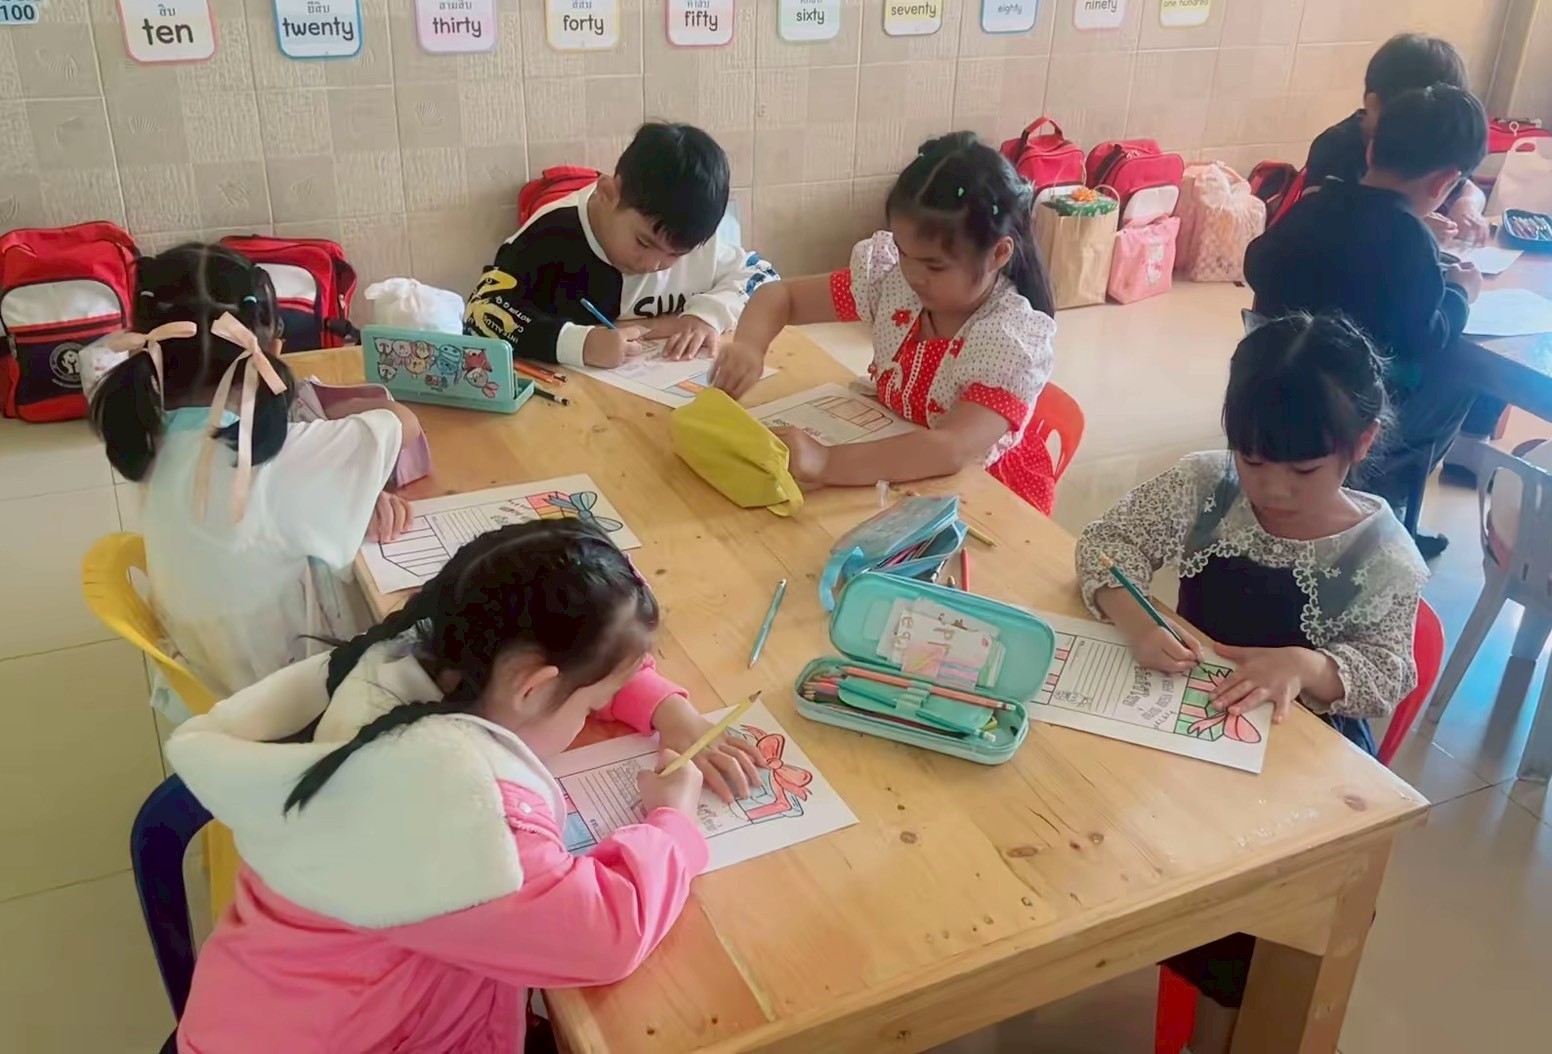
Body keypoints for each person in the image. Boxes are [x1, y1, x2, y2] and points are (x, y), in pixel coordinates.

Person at [166, 519, 767, 1054]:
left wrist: (666, 708)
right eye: (592, 705)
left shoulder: (415, 659)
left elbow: (584, 654)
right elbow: (609, 933)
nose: (593, 712)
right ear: (532, 687)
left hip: (272, 1013)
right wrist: (673, 823)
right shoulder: (449, 810)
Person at [1074, 313, 1427, 1054]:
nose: (1272, 489)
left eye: (1303, 471)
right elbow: (1107, 544)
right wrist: (1137, 618)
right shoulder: (1209, 485)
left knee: (1250, 924)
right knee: (1087, 821)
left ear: (1361, 444)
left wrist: (1306, 666)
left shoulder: (1381, 553)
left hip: (1300, 766)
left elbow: (1390, 670)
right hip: (1183, 727)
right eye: (1254, 459)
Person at [89, 243, 422, 716]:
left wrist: (348, 492)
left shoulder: (149, 434)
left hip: (207, 674)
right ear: (272, 346)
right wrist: (345, 415)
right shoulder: (276, 457)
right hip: (287, 699)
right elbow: (404, 423)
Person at [711, 132, 1059, 514]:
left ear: (998, 254)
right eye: (904, 252)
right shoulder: (892, 282)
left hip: (984, 496)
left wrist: (825, 462)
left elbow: (950, 449)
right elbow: (781, 297)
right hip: (893, 465)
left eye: (934, 265)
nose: (913, 274)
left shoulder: (1007, 340)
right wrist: (749, 346)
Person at [1245, 84, 1489, 558]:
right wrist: (1461, 292)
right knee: (1464, 371)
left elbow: (1257, 262)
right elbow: (1428, 335)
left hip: (1277, 386)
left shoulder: (1313, 207)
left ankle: (1361, 494)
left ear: (1372, 148)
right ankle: (1381, 501)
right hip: (1354, 412)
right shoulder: (1411, 240)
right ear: (1444, 182)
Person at [464, 122, 778, 369]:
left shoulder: (691, 236)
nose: (654, 265)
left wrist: (707, 315)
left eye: (676, 255)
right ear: (607, 193)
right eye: (644, 242)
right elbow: (480, 312)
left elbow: (764, 278)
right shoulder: (550, 234)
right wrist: (579, 343)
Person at [1303, 33, 1487, 244]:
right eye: (1410, 115)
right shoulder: (1337, 146)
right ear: (1373, 105)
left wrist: (1467, 204)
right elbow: (1317, 221)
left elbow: (1465, 184)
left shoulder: (1430, 141)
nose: (1421, 130)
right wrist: (1409, 228)